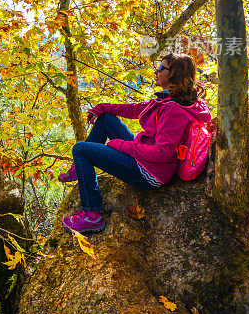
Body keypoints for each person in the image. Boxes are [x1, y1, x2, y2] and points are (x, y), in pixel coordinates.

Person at [59, 53, 212, 234]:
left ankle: (91, 215)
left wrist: (121, 146)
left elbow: (162, 153)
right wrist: (102, 107)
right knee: (106, 119)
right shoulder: (170, 99)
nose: (156, 71)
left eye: (161, 68)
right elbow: (138, 109)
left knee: (81, 150)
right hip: (145, 157)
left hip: (150, 172)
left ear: (174, 74)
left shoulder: (174, 109)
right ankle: (80, 167)